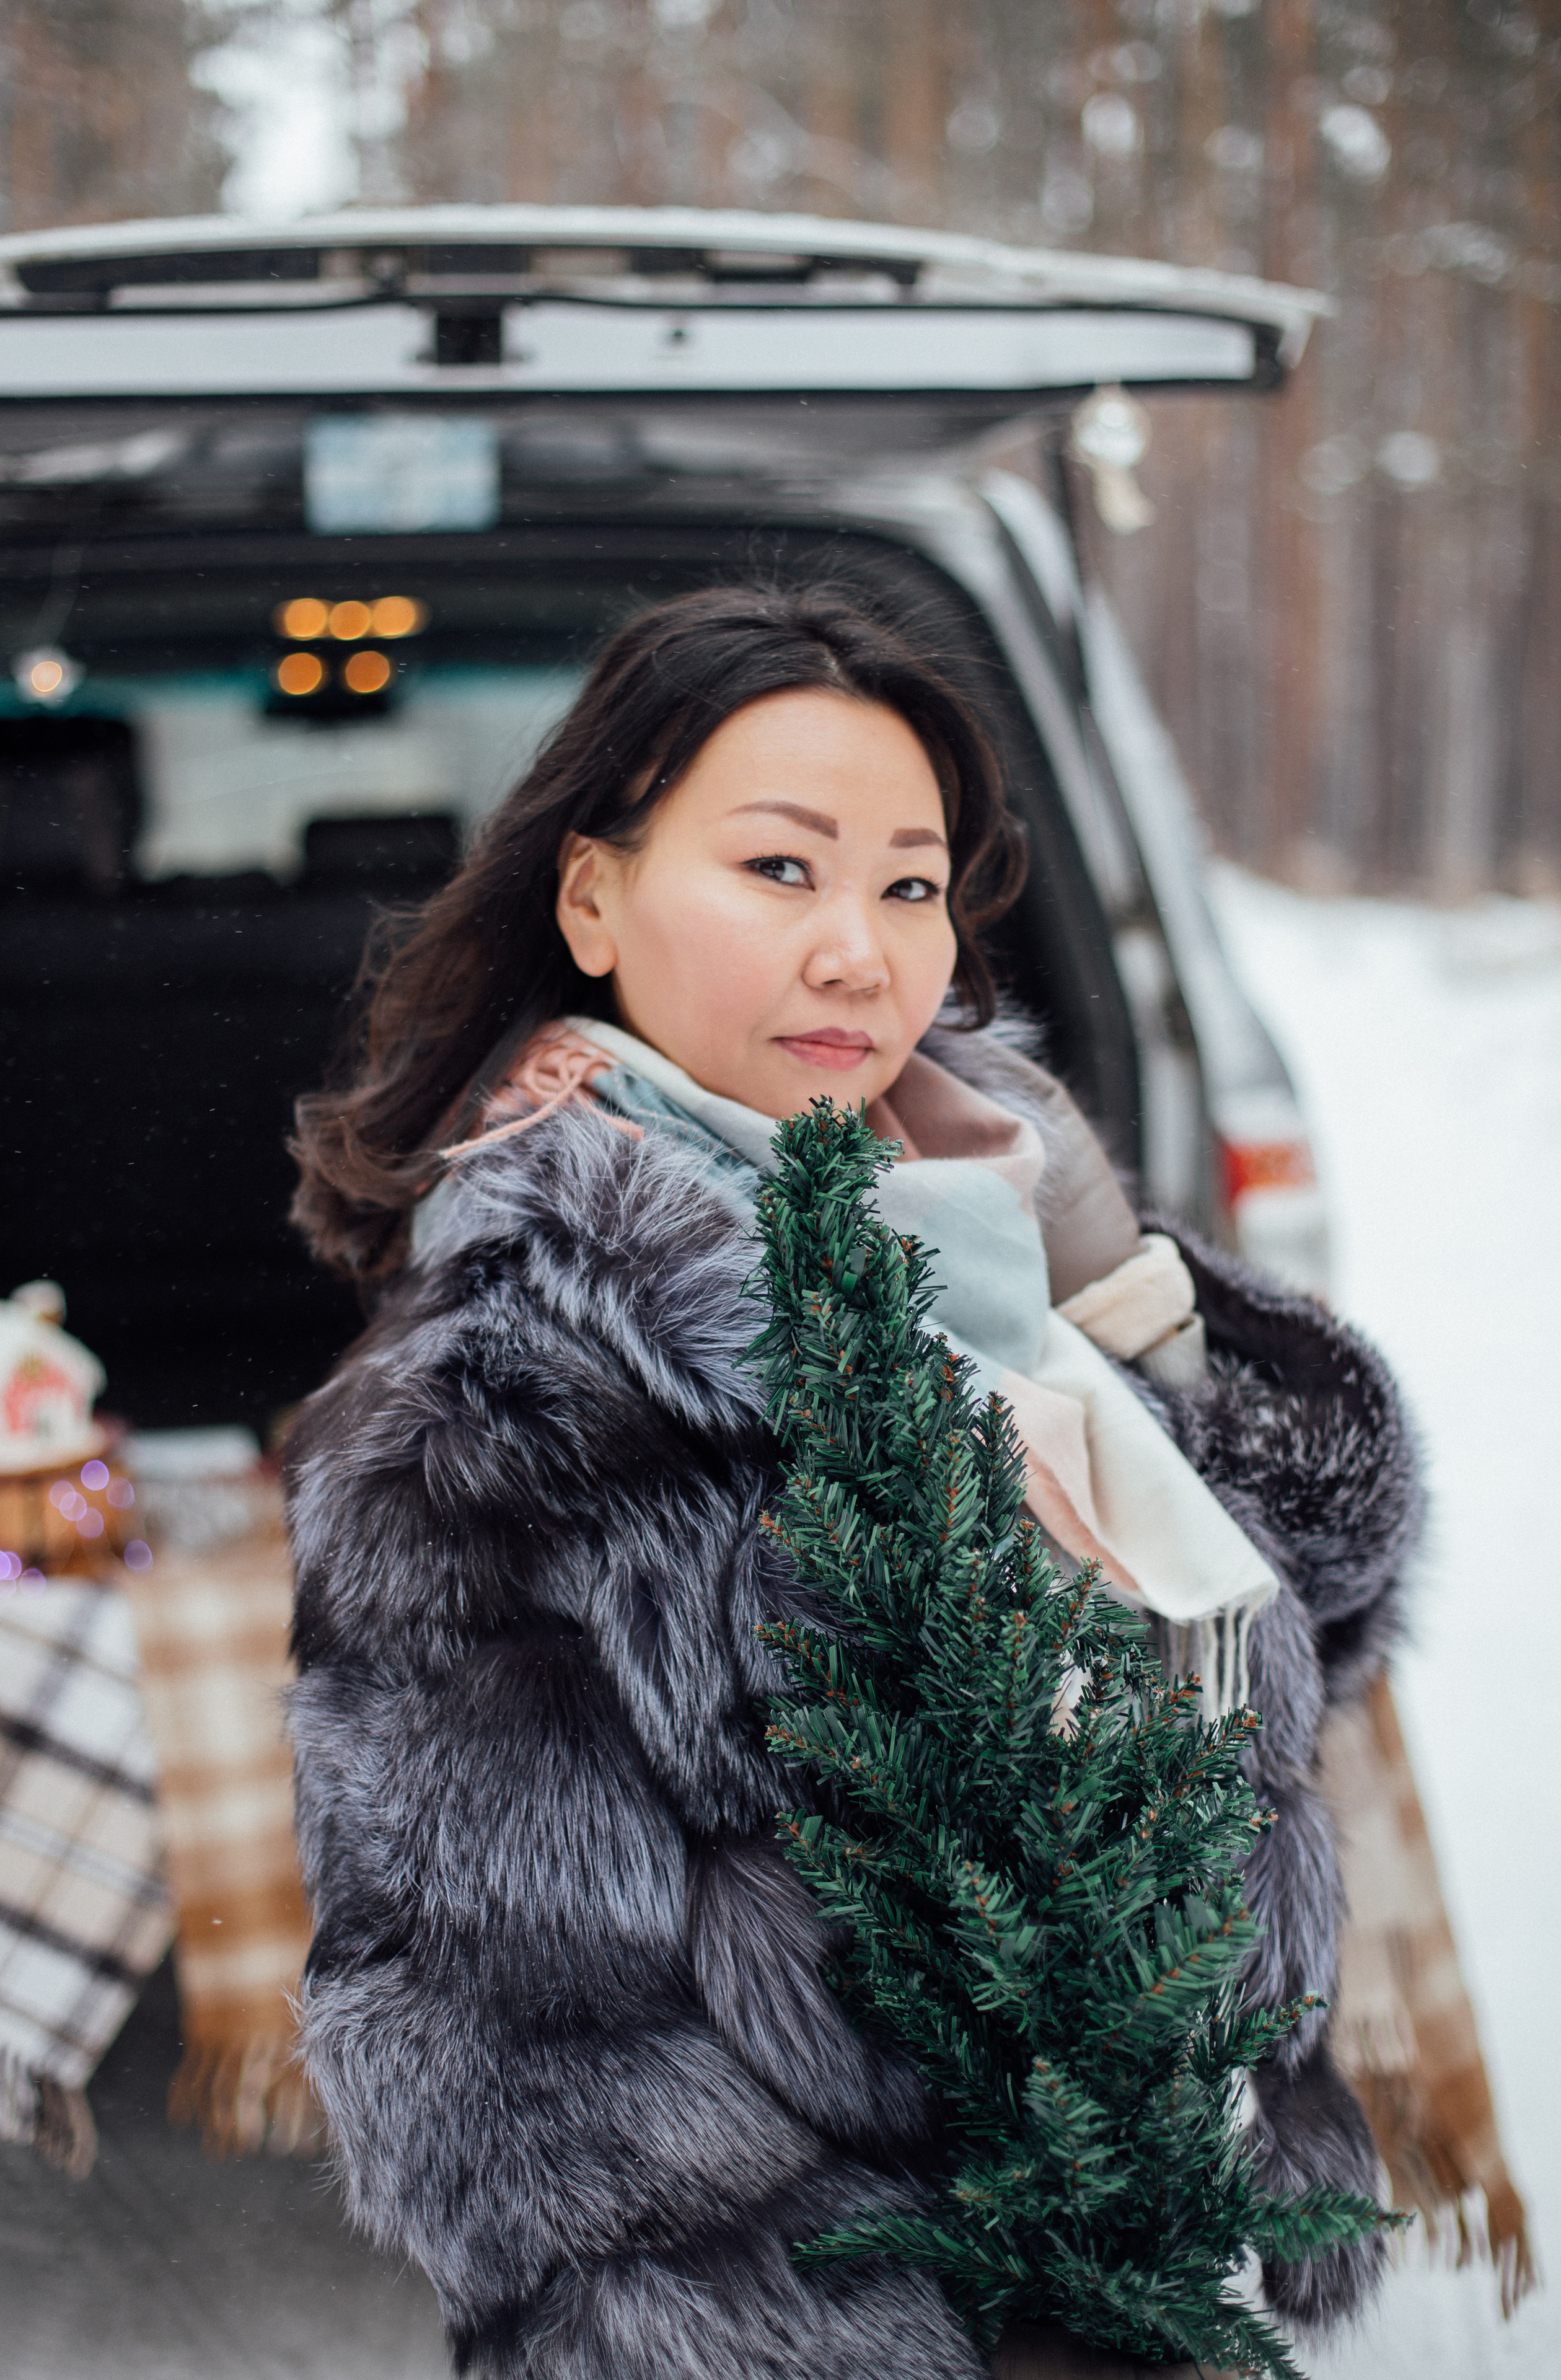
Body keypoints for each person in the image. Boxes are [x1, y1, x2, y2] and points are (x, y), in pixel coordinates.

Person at [284, 585, 1422, 2380]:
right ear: (591, 898)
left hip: (1138, 2257)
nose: (860, 952)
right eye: (781, 871)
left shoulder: (992, 1246)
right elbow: (521, 2095)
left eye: (909, 884)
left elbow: (1304, 1644)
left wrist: (1131, 1300)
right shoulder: (505, 1411)